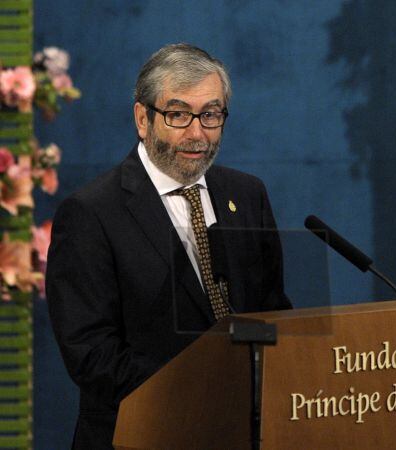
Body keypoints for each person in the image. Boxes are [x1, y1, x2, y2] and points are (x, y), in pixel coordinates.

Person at [46, 43, 291, 449]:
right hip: (142, 434)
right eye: (178, 114)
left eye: (210, 115)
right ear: (143, 118)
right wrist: (201, 394)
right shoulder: (91, 213)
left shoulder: (246, 194)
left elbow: (272, 311)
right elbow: (90, 354)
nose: (197, 133)